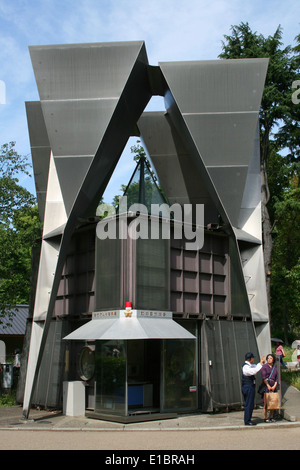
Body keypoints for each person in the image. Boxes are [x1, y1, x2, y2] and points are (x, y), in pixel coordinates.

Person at [241, 352, 266, 426]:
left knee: (250, 403)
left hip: (250, 386)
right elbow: (253, 371)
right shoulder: (245, 367)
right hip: (248, 386)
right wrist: (260, 363)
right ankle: (247, 420)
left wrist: (261, 363)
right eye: (253, 358)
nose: (254, 359)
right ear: (251, 359)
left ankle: (249, 419)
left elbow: (256, 367)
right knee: (248, 403)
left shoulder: (250, 365)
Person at [261, 353, 279, 422]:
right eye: (268, 358)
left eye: (270, 358)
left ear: (273, 359)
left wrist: (274, 385)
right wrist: (268, 385)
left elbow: (277, 378)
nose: (269, 360)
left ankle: (271, 416)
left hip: (273, 385)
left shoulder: (274, 368)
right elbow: (264, 377)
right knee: (266, 402)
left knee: (273, 402)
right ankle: (266, 417)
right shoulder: (264, 367)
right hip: (266, 385)